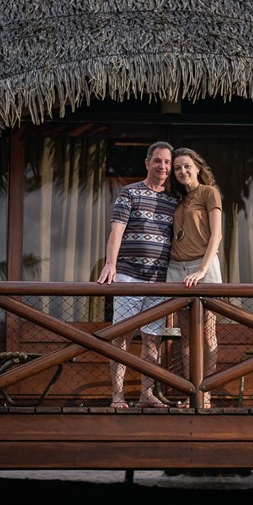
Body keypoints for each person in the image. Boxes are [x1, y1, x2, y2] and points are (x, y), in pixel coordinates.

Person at [97, 141, 178, 408]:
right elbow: (117, 231)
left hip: (159, 281)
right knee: (121, 337)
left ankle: (146, 394)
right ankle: (117, 396)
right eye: (158, 160)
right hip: (129, 276)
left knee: (152, 339)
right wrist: (111, 264)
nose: (163, 166)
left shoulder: (173, 201)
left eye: (167, 162)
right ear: (147, 163)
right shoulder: (129, 193)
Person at [167, 147, 222, 408]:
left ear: (198, 167)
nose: (182, 171)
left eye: (187, 166)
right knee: (187, 337)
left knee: (208, 333)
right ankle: (193, 395)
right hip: (177, 269)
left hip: (204, 267)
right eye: (177, 168)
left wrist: (202, 270)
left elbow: (217, 235)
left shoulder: (209, 193)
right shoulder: (178, 200)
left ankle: (206, 394)